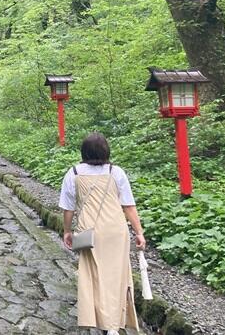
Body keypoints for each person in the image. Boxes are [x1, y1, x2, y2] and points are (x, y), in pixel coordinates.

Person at [59, 132, 145, 335]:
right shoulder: (117, 172)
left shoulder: (74, 173)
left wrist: (67, 231)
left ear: (84, 151)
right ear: (106, 150)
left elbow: (68, 209)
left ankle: (100, 319)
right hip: (116, 230)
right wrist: (139, 232)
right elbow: (129, 206)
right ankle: (114, 325)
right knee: (116, 276)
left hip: (90, 232)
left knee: (93, 276)